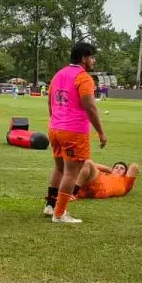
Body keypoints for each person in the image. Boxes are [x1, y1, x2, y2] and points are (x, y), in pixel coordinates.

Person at [43, 42, 108, 224]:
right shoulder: (84, 77)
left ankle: (50, 205)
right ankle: (59, 213)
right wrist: (101, 132)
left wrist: (56, 121)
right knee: (72, 172)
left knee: (59, 168)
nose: (93, 60)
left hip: (55, 128)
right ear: (83, 58)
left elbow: (50, 103)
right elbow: (90, 106)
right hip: (73, 131)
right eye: (92, 57)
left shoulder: (59, 74)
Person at [73, 160, 139, 200]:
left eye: (122, 168)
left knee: (87, 162)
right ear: (112, 169)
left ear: (125, 173)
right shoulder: (105, 174)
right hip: (88, 186)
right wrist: (109, 170)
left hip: (99, 187)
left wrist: (111, 170)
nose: (119, 169)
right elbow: (94, 165)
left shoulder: (125, 182)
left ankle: (73, 193)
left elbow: (134, 166)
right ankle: (70, 192)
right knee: (78, 164)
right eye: (116, 167)